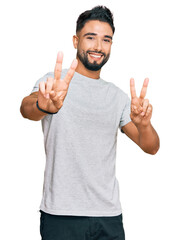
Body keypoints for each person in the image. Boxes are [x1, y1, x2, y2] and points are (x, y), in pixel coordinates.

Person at [20, 5, 160, 240]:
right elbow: (26, 109)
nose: (98, 46)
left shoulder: (117, 97)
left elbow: (151, 147)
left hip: (108, 216)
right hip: (61, 215)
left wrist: (144, 124)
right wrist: (44, 105)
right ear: (76, 41)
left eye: (106, 40)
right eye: (90, 38)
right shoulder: (54, 83)